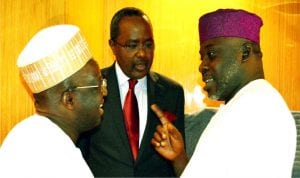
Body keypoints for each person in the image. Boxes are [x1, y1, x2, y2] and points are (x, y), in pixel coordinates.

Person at [151, 9, 297, 178]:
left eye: (211, 54)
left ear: (245, 52)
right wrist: (179, 159)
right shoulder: (258, 101)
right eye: (202, 57)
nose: (202, 66)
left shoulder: (250, 108)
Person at [78, 7, 185, 177]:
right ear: (113, 46)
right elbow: (80, 156)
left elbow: (177, 159)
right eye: (132, 45)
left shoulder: (172, 92)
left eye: (148, 44)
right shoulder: (91, 87)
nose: (142, 53)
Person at [0, 25, 107, 178]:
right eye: (98, 85)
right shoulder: (60, 160)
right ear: (69, 99)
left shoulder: (22, 133)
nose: (104, 92)